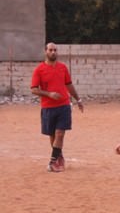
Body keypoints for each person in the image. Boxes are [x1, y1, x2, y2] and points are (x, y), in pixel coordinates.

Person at [31, 42, 85, 172]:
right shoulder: (39, 69)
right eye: (50, 50)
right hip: (48, 107)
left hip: (64, 106)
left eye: (55, 50)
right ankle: (59, 156)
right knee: (52, 136)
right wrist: (49, 94)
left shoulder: (63, 68)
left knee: (60, 133)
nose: (53, 52)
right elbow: (33, 89)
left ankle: (52, 162)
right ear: (46, 51)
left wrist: (78, 99)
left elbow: (69, 85)